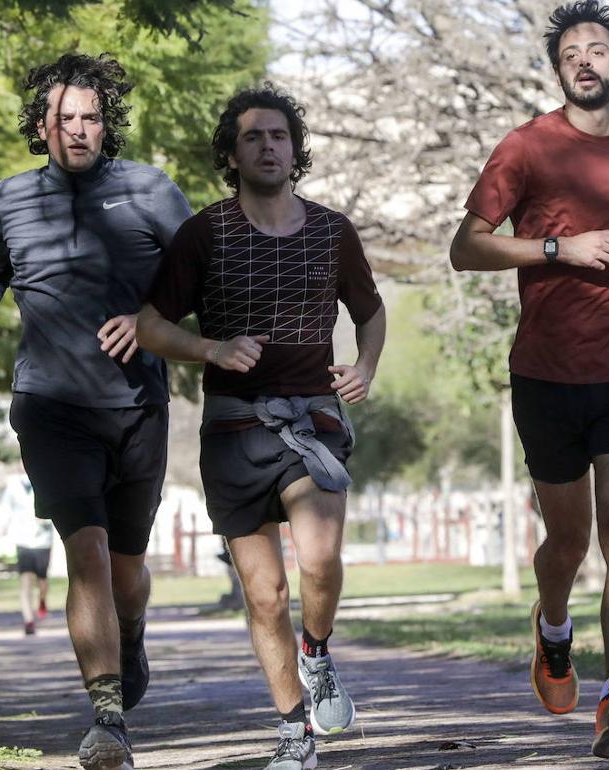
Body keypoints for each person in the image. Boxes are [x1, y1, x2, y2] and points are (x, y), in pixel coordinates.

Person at [449, 1, 609, 759]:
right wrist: (557, 248)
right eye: (572, 54)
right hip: (549, 373)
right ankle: (553, 627)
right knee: (568, 542)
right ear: (559, 70)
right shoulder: (527, 147)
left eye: (599, 49)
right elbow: (467, 247)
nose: (587, 61)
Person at [0, 52, 191, 770]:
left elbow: (196, 271)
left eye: (89, 117)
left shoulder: (148, 189)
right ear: (41, 126)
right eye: (63, 118)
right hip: (49, 404)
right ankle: (107, 720)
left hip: (137, 402)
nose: (77, 129)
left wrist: (149, 317)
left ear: (105, 124)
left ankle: (132, 629)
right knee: (83, 554)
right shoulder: (10, 198)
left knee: (124, 568)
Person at [137, 84, 385, 770]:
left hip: (314, 421)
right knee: (265, 593)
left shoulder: (333, 230)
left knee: (322, 559)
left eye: (278, 136)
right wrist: (211, 350)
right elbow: (150, 324)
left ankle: (317, 650)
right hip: (233, 431)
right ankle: (292, 730)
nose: (268, 147)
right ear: (232, 153)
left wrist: (365, 365)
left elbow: (370, 311)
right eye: (253, 137)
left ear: (295, 149)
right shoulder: (205, 233)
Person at [5, 474, 53, 635]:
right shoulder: (14, 484)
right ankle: (29, 620)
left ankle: (42, 599)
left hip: (42, 541)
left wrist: (45, 520)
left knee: (42, 582)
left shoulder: (45, 480)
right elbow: (5, 506)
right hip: (23, 541)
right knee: (25, 580)